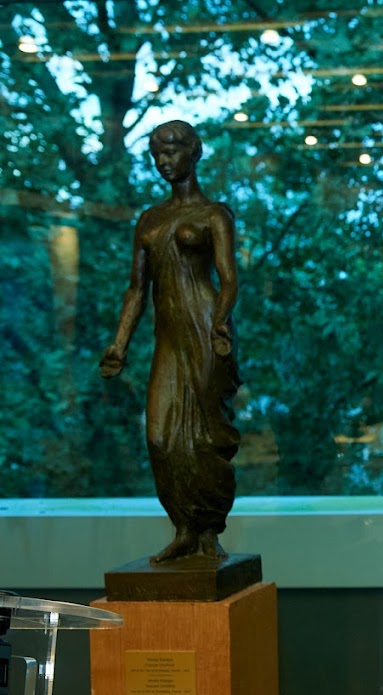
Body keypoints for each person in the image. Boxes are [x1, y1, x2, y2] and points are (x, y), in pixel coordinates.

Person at [101, 119, 242, 563]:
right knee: (160, 436)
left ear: (194, 152)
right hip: (169, 337)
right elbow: (135, 290)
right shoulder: (150, 219)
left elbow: (229, 278)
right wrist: (119, 343)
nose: (164, 161)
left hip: (203, 331)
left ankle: (207, 534)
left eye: (172, 151)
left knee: (204, 436)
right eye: (157, 155)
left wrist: (220, 321)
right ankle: (183, 526)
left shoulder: (213, 214)